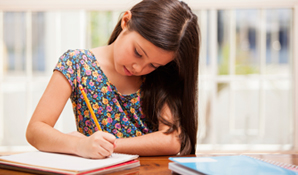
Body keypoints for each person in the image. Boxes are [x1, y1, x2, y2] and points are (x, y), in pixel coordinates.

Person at [26, 0, 200, 159]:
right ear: (126, 21)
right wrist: (80, 145)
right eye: (138, 53)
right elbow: (36, 130)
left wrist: (106, 146)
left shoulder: (160, 76)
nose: (139, 68)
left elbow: (171, 140)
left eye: (153, 64)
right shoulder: (76, 64)